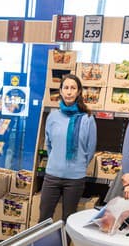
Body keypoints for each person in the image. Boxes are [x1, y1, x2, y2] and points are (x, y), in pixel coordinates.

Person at [39, 74, 96, 222]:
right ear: (61, 91)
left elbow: (90, 150)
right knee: (44, 218)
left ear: (78, 92)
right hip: (52, 175)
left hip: (75, 178)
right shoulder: (53, 117)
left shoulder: (87, 118)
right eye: (66, 88)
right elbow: (49, 145)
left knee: (68, 220)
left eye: (73, 88)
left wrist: (78, 165)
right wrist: (57, 161)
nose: (69, 92)